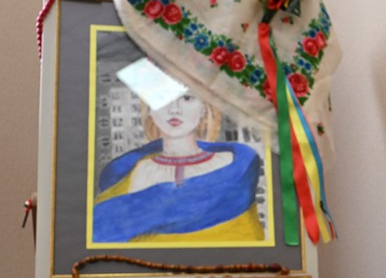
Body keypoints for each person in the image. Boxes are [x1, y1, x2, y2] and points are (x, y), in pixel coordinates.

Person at [92, 91, 263, 243]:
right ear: (149, 109)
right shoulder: (130, 173)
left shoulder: (240, 169)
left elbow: (250, 245)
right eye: (162, 97)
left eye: (187, 98)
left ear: (204, 108)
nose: (174, 110)